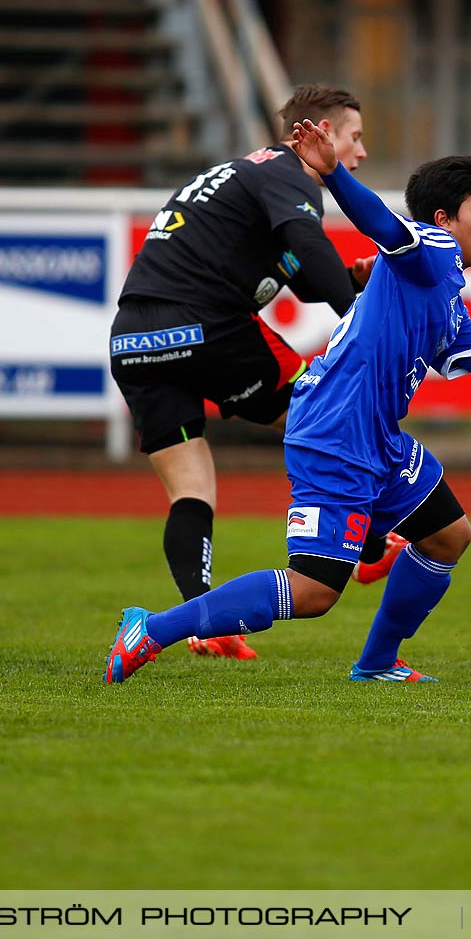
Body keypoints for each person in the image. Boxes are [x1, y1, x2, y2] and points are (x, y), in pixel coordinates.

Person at [106, 122, 471, 685]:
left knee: (447, 535)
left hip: (376, 435)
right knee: (313, 592)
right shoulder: (429, 248)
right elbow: (383, 224)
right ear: (444, 220)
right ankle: (154, 629)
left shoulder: (447, 301)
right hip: (335, 430)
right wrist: (335, 174)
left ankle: (378, 662)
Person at [109, 84, 387, 661]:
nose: (359, 154)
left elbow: (303, 270)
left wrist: (349, 277)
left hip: (135, 337)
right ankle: (374, 543)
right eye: (354, 138)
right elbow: (306, 248)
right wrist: (364, 321)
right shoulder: (287, 173)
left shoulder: (249, 177)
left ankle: (201, 620)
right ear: (321, 133)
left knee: (192, 490)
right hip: (204, 326)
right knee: (328, 409)